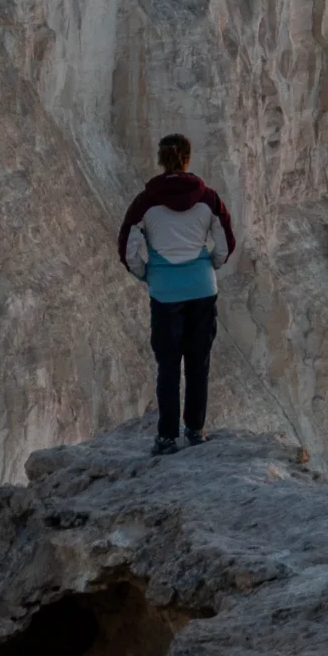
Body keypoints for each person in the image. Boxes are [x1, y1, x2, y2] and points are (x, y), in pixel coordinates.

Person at [117, 134, 236, 456]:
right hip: (202, 289)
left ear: (161, 159)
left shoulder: (146, 202)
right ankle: (195, 431)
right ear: (187, 158)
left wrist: (146, 273)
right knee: (199, 363)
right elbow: (225, 244)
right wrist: (208, 266)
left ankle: (167, 438)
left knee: (168, 366)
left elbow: (128, 247)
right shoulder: (208, 198)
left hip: (165, 292)